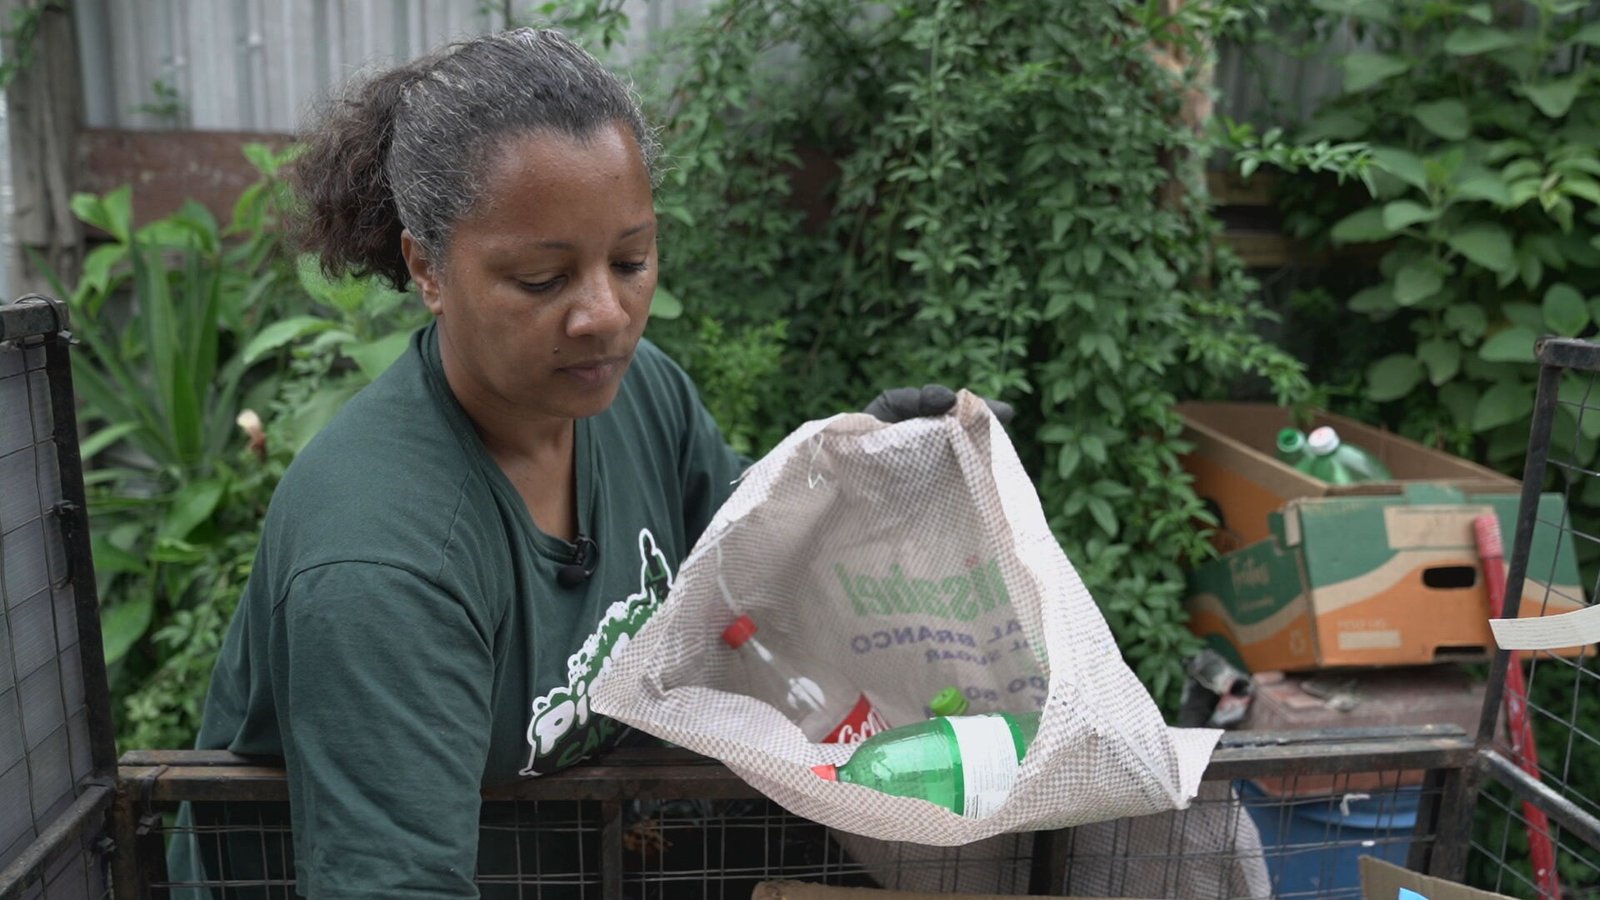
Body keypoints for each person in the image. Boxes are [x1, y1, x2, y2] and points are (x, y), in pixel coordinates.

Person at [170, 26, 1008, 899]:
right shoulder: (386, 562)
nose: (605, 315)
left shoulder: (640, 397)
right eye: (542, 280)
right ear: (427, 265)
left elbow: (749, 563)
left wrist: (866, 477)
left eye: (631, 260)